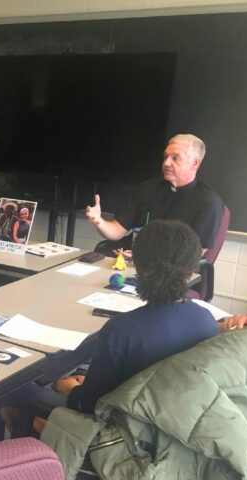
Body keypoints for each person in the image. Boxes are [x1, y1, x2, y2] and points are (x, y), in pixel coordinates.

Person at [18, 220, 218, 418]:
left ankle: (33, 444)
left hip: (115, 430)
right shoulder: (206, 320)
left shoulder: (122, 330)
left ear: (137, 265)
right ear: (193, 267)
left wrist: (70, 389)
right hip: (169, 423)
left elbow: (88, 405)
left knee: (20, 392)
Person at [85, 133, 224, 252]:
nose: (166, 163)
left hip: (168, 272)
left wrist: (146, 260)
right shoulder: (146, 189)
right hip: (128, 261)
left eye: (175, 158)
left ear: (195, 163)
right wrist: (99, 222)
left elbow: (194, 254)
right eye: (165, 157)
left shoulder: (208, 202)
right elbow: (117, 231)